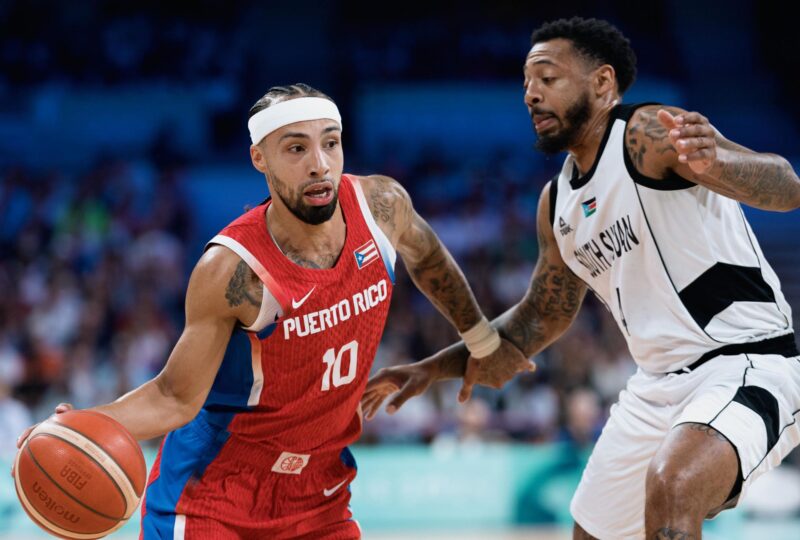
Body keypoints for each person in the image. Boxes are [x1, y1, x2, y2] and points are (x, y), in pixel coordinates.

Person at [15, 83, 532, 539]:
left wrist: (484, 342)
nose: (320, 163)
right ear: (259, 159)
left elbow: (430, 259)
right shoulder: (231, 271)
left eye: (331, 143)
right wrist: (84, 423)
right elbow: (175, 396)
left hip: (320, 490)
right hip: (215, 493)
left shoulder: (381, 207)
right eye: (296, 148)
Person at [362, 17, 800, 539]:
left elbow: (787, 185)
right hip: (656, 386)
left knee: (674, 485)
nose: (531, 95)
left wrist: (720, 161)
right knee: (589, 532)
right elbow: (538, 319)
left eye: (548, 79)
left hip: (747, 360)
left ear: (602, 84)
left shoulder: (650, 133)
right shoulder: (557, 203)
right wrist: (434, 368)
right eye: (526, 83)